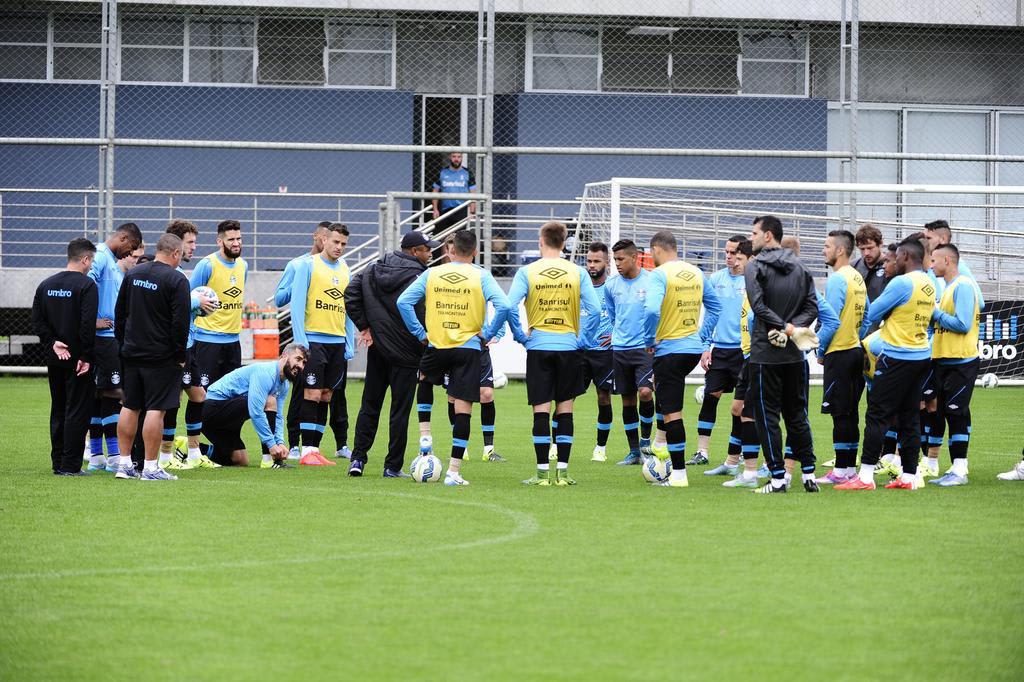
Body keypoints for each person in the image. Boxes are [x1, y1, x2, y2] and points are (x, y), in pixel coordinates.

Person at [397, 229, 509, 487]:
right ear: (475, 252)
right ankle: (453, 472)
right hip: (468, 348)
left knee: (424, 381)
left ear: (449, 251)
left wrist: (420, 334)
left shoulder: (432, 273)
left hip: (436, 344)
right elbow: (503, 306)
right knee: (463, 408)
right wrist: (488, 333)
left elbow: (404, 302)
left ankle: (425, 437)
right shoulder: (481, 275)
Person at [836, 238, 936, 491]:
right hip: (920, 356)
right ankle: (909, 476)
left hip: (897, 356)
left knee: (877, 414)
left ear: (904, 257)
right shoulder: (928, 281)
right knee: (909, 417)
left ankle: (866, 476)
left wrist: (889, 311)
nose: (888, 262)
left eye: (893, 258)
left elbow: (874, 312)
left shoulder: (901, 283)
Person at [507, 221, 600, 486]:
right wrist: (583, 339)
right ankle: (563, 473)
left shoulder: (527, 271)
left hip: (538, 346)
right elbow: (594, 310)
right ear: (564, 242)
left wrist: (521, 336)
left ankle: (541, 474)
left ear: (541, 240)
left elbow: (509, 306)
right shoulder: (577, 271)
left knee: (541, 411)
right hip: (569, 347)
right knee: (565, 411)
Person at [345, 230, 437, 477]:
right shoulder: (422, 276)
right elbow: (424, 312)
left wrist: (365, 326)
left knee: (369, 406)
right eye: (427, 249)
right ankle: (392, 467)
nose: (431, 252)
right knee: (400, 411)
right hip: (408, 353)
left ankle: (357, 460)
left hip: (378, 350)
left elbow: (350, 293)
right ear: (415, 251)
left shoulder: (375, 267)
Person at [744, 216, 820, 494]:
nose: (750, 238)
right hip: (794, 354)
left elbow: (758, 306)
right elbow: (812, 307)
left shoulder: (754, 266)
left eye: (753, 233)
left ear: (768, 236)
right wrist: (795, 329)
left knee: (767, 417)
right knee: (797, 414)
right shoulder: (801, 266)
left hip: (766, 354)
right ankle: (808, 475)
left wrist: (784, 327)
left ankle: (777, 479)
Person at [642, 231, 721, 488]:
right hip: (691, 350)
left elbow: (652, 309)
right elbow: (715, 306)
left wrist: (649, 340)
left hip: (669, 351)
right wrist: (701, 337)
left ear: (656, 250)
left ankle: (677, 475)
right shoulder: (696, 272)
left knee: (672, 414)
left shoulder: (659, 275)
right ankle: (660, 446)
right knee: (666, 405)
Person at [113, 233, 191, 481]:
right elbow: (180, 323)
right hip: (161, 356)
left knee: (130, 405)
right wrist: (180, 354)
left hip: (132, 352)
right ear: (176, 253)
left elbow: (120, 312)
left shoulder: (134, 273)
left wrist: (123, 343)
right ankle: (150, 467)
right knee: (156, 410)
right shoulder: (177, 280)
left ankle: (124, 465)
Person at [276, 222, 350, 461]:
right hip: (314, 340)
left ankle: (314, 450)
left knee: (327, 394)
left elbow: (346, 308)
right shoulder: (308, 266)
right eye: (336, 242)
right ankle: (307, 449)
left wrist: (349, 341)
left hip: (337, 341)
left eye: (343, 244)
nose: (339, 247)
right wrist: (301, 343)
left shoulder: (345, 268)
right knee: (312, 393)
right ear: (324, 240)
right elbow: (296, 305)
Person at [33, 238, 99, 476]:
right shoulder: (87, 286)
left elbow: (37, 321)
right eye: (91, 261)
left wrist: (52, 343)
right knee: (77, 410)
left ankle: (57, 463)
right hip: (78, 360)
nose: (91, 266)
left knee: (58, 408)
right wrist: (86, 356)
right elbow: (86, 324)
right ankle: (71, 465)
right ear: (85, 259)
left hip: (55, 357)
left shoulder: (46, 284)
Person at [159, 220, 220, 470]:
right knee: (173, 400)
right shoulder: (169, 275)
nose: (194, 247)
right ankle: (165, 455)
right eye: (190, 242)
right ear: (176, 244)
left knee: (198, 394)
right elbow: (171, 308)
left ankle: (194, 453)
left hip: (190, 343)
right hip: (176, 347)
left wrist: (197, 306)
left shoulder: (180, 274)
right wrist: (195, 300)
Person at [85, 222, 143, 473]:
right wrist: (92, 320)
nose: (130, 253)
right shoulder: (100, 256)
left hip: (108, 337)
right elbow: (83, 284)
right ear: (122, 238)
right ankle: (114, 456)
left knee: (100, 395)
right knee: (114, 394)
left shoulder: (114, 264)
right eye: (130, 247)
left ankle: (97, 455)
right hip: (103, 338)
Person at [814, 230, 869, 485]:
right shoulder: (857, 277)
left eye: (827, 246)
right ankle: (847, 469)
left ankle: (841, 470)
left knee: (840, 413)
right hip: (855, 351)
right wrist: (857, 337)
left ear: (840, 250)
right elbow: (868, 315)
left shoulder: (838, 279)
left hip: (840, 353)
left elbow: (831, 320)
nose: (823, 250)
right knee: (850, 413)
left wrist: (820, 349)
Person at [927, 244, 981, 487]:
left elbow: (962, 324)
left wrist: (936, 314)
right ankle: (956, 468)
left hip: (961, 362)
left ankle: (960, 470)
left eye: (934, 260)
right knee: (946, 413)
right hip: (943, 360)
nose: (931, 265)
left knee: (956, 413)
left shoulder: (964, 286)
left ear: (947, 260)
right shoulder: (949, 288)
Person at [201, 345, 307, 468]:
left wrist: (280, 442)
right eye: (298, 359)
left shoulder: (284, 385)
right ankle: (269, 460)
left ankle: (191, 448)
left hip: (229, 420)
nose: (300, 366)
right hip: (212, 409)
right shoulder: (266, 373)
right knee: (269, 400)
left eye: (304, 363)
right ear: (284, 356)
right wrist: (272, 445)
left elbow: (278, 415)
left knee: (240, 460)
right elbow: (256, 412)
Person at [696, 235, 751, 470]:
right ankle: (702, 452)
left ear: (744, 255)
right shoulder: (716, 278)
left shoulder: (753, 281)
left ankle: (735, 456)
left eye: (733, 253)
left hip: (744, 353)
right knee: (710, 398)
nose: (728, 257)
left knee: (740, 408)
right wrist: (704, 347)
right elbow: (709, 316)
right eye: (726, 252)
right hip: (720, 350)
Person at [604, 239, 656, 465]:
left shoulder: (652, 281)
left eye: (621, 259)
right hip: (620, 349)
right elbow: (614, 315)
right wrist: (617, 336)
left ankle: (646, 444)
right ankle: (634, 451)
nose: (616, 263)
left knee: (645, 392)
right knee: (627, 401)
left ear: (634, 258)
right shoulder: (611, 285)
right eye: (614, 259)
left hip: (644, 348)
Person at [189, 219, 247, 388]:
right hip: (207, 341)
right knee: (203, 395)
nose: (236, 243)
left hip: (233, 342)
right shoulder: (207, 265)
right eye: (231, 240)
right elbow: (188, 298)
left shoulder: (243, 265)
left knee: (231, 395)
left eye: (239, 239)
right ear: (220, 241)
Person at [580, 242, 615, 462]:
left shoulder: (613, 287)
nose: (592, 266)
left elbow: (627, 313)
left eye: (596, 261)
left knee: (604, 397)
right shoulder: (578, 285)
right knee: (565, 397)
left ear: (606, 262)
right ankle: (555, 445)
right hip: (580, 349)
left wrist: (617, 334)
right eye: (589, 261)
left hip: (604, 352)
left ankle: (600, 448)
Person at [432, 151, 477, 230]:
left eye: (459, 157)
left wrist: (472, 212)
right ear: (450, 157)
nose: (456, 159)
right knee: (444, 236)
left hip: (462, 210)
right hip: (445, 210)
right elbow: (435, 191)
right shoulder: (442, 172)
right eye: (454, 156)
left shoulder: (467, 173)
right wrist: (435, 209)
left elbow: (473, 193)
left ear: (462, 158)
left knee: (460, 237)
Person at [852, 224, 888, 303]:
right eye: (862, 249)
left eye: (870, 248)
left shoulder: (891, 267)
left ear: (880, 244)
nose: (866, 253)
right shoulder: (854, 266)